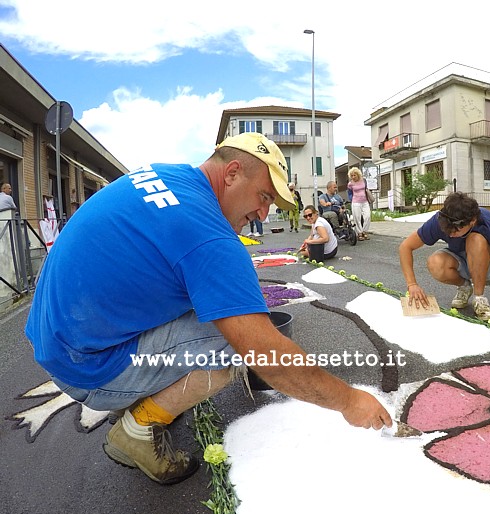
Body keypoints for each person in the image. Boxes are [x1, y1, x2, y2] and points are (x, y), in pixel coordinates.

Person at [24, 132, 391, 486]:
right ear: (232, 173)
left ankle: (137, 398)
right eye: (263, 195)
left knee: (221, 306)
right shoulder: (210, 237)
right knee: (237, 342)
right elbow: (266, 354)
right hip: (86, 366)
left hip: (55, 336)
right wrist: (349, 400)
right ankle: (137, 431)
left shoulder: (169, 174)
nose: (263, 211)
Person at [399, 192, 490, 333]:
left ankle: (479, 298)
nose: (450, 234)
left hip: (484, 264)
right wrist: (412, 285)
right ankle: (465, 287)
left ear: (472, 221)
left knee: (476, 240)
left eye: (455, 231)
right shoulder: (441, 220)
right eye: (447, 230)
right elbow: (405, 247)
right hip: (458, 259)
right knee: (435, 262)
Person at [347, 167, 371, 241]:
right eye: (352, 176)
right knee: (357, 218)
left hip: (364, 201)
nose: (353, 177)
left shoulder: (363, 180)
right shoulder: (350, 184)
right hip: (356, 202)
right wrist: (352, 200)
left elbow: (366, 189)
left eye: (354, 175)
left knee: (367, 216)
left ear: (358, 174)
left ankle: (365, 231)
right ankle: (359, 233)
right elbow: (349, 193)